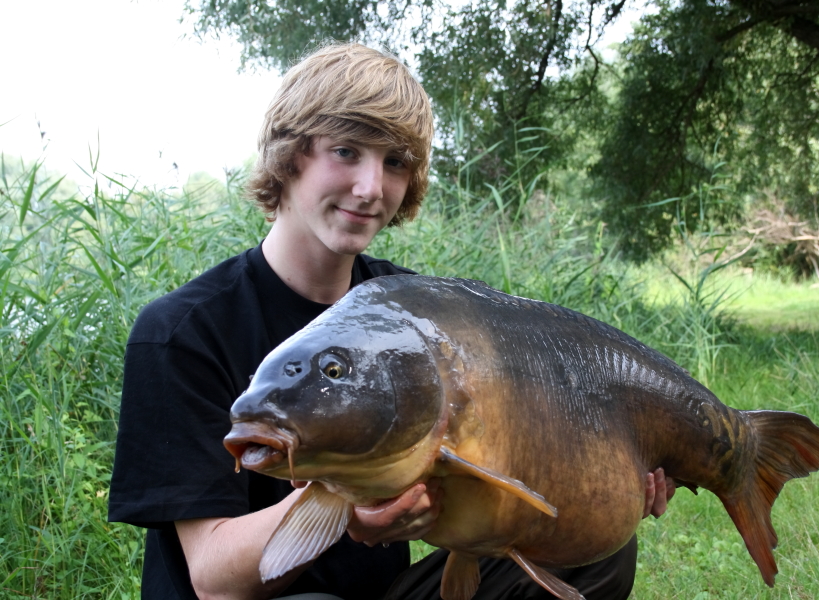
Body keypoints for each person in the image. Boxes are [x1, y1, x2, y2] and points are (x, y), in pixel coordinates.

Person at [108, 42, 674, 600]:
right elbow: (213, 580)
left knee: (597, 554)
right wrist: (345, 508)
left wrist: (607, 482)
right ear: (290, 155)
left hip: (384, 593)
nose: (371, 188)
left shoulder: (413, 314)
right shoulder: (180, 332)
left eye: (395, 162)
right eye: (346, 151)